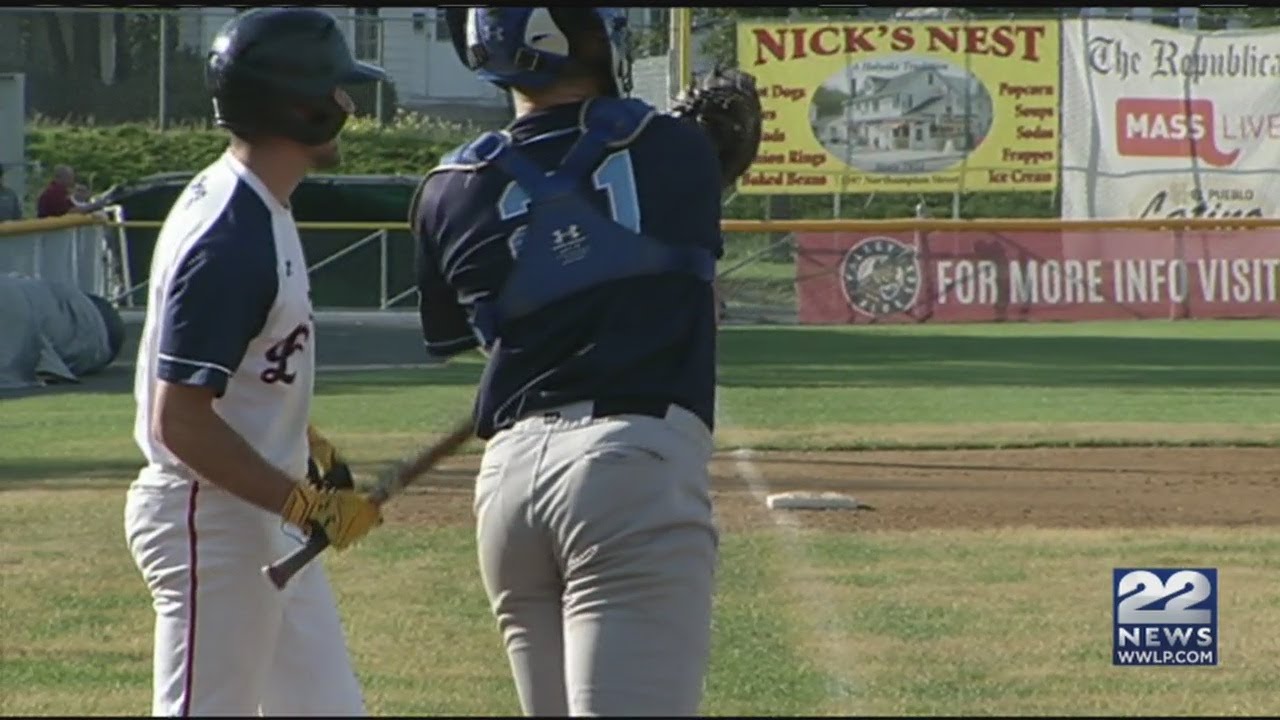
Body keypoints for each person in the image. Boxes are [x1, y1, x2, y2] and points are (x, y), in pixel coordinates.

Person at [410, 7, 761, 716]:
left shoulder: (445, 187)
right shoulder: (673, 149)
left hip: (509, 483)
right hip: (629, 466)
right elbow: (684, 276)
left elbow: (485, 333)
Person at [123, 8, 385, 716]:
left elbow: (250, 371)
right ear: (299, 105)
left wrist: (311, 453)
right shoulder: (233, 235)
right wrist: (302, 501)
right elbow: (179, 419)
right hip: (212, 518)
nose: (348, 105)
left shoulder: (260, 206)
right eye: (336, 92)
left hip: (258, 511)